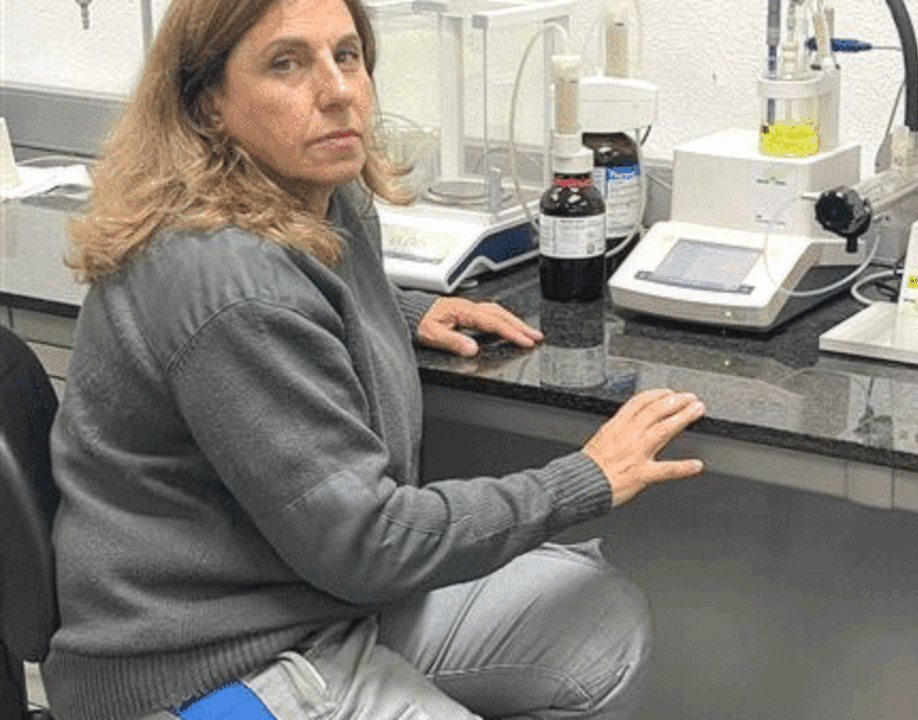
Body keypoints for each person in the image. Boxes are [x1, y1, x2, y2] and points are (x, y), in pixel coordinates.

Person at [42, 0, 706, 717]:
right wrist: (584, 479)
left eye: (347, 54)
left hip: (305, 593)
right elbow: (372, 543)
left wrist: (400, 313)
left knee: (596, 626)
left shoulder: (318, 197)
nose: (338, 91)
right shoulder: (228, 287)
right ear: (207, 103)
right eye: (285, 63)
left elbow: (311, 293)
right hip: (208, 664)